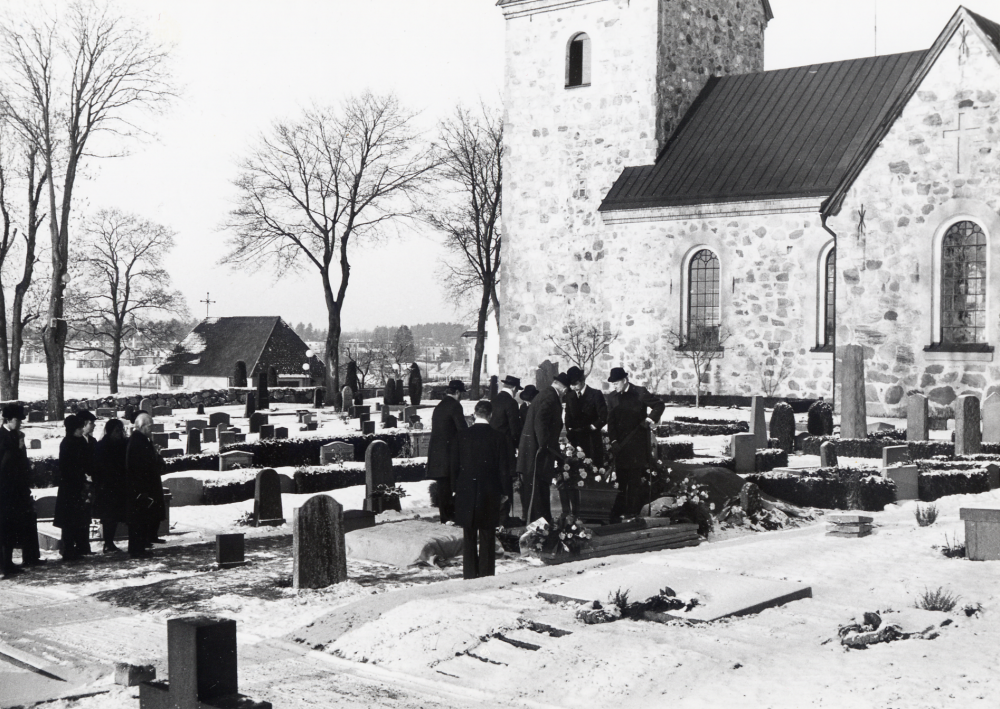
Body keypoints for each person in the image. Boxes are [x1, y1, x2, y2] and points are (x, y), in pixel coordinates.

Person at [450, 400, 510, 579]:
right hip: (490, 491)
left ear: (474, 414)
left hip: (466, 490)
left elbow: (453, 465)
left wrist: (455, 489)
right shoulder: (498, 437)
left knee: (468, 535)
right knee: (487, 535)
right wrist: (505, 492)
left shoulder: (461, 436)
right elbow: (504, 468)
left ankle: (469, 575)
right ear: (490, 415)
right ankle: (486, 575)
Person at [605, 367, 665, 519]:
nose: (614, 386)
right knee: (621, 480)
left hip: (637, 445)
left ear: (625, 380)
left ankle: (633, 514)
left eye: (616, 383)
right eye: (613, 384)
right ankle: (619, 514)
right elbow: (610, 423)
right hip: (620, 446)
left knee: (634, 482)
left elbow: (659, 405)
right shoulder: (612, 397)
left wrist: (649, 419)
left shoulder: (639, 392)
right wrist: (613, 441)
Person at [517, 373, 569, 523]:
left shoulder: (547, 394)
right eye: (566, 390)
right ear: (563, 387)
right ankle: (538, 523)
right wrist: (544, 445)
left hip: (536, 449)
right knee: (538, 488)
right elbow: (540, 421)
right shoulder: (550, 397)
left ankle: (542, 520)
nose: (565, 393)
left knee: (540, 487)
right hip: (537, 451)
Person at [0, 404, 45, 577]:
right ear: (8, 419)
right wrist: (16, 449)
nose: (20, 423)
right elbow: (5, 464)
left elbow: (21, 463)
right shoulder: (2, 436)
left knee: (13, 526)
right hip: (4, 489)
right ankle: (4, 564)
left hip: (17, 489)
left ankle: (9, 562)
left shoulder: (16, 435)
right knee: (5, 526)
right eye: (17, 420)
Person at [426, 380, 468, 524]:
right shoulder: (455, 405)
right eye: (461, 393)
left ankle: (445, 517)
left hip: (438, 453)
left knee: (443, 487)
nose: (462, 396)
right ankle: (451, 517)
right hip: (450, 454)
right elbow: (462, 430)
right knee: (452, 486)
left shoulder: (440, 405)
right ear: (457, 392)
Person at [126, 413, 165, 558]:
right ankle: (137, 550)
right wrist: (142, 488)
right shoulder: (138, 442)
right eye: (150, 426)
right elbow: (139, 466)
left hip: (142, 486)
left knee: (142, 519)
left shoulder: (141, 440)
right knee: (139, 519)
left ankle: (139, 547)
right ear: (142, 426)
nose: (152, 429)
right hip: (141, 487)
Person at [55, 414, 94, 560]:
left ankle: (80, 547)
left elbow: (87, 460)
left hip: (80, 485)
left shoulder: (80, 441)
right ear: (72, 429)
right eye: (79, 428)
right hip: (69, 487)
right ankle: (68, 550)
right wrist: (80, 474)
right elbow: (66, 467)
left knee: (80, 518)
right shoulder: (67, 443)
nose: (82, 430)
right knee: (69, 520)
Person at [490, 375, 522, 525]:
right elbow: (515, 429)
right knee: (506, 481)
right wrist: (517, 445)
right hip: (506, 447)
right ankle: (504, 517)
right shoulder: (511, 403)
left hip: (492, 447)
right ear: (514, 388)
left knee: (495, 481)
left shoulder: (494, 400)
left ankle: (495, 514)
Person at [94, 419, 128, 554]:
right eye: (117, 431)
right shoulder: (102, 445)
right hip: (107, 486)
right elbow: (98, 466)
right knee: (109, 516)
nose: (120, 433)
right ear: (109, 431)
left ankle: (110, 542)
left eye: (121, 431)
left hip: (119, 485)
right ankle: (108, 542)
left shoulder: (123, 444)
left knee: (116, 515)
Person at [565, 366, 608, 467]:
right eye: (571, 384)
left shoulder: (595, 394)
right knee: (577, 468)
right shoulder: (570, 396)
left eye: (575, 384)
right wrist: (569, 430)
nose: (573, 387)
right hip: (576, 440)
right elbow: (568, 416)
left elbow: (604, 416)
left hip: (592, 438)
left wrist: (592, 427)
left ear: (582, 381)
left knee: (594, 467)